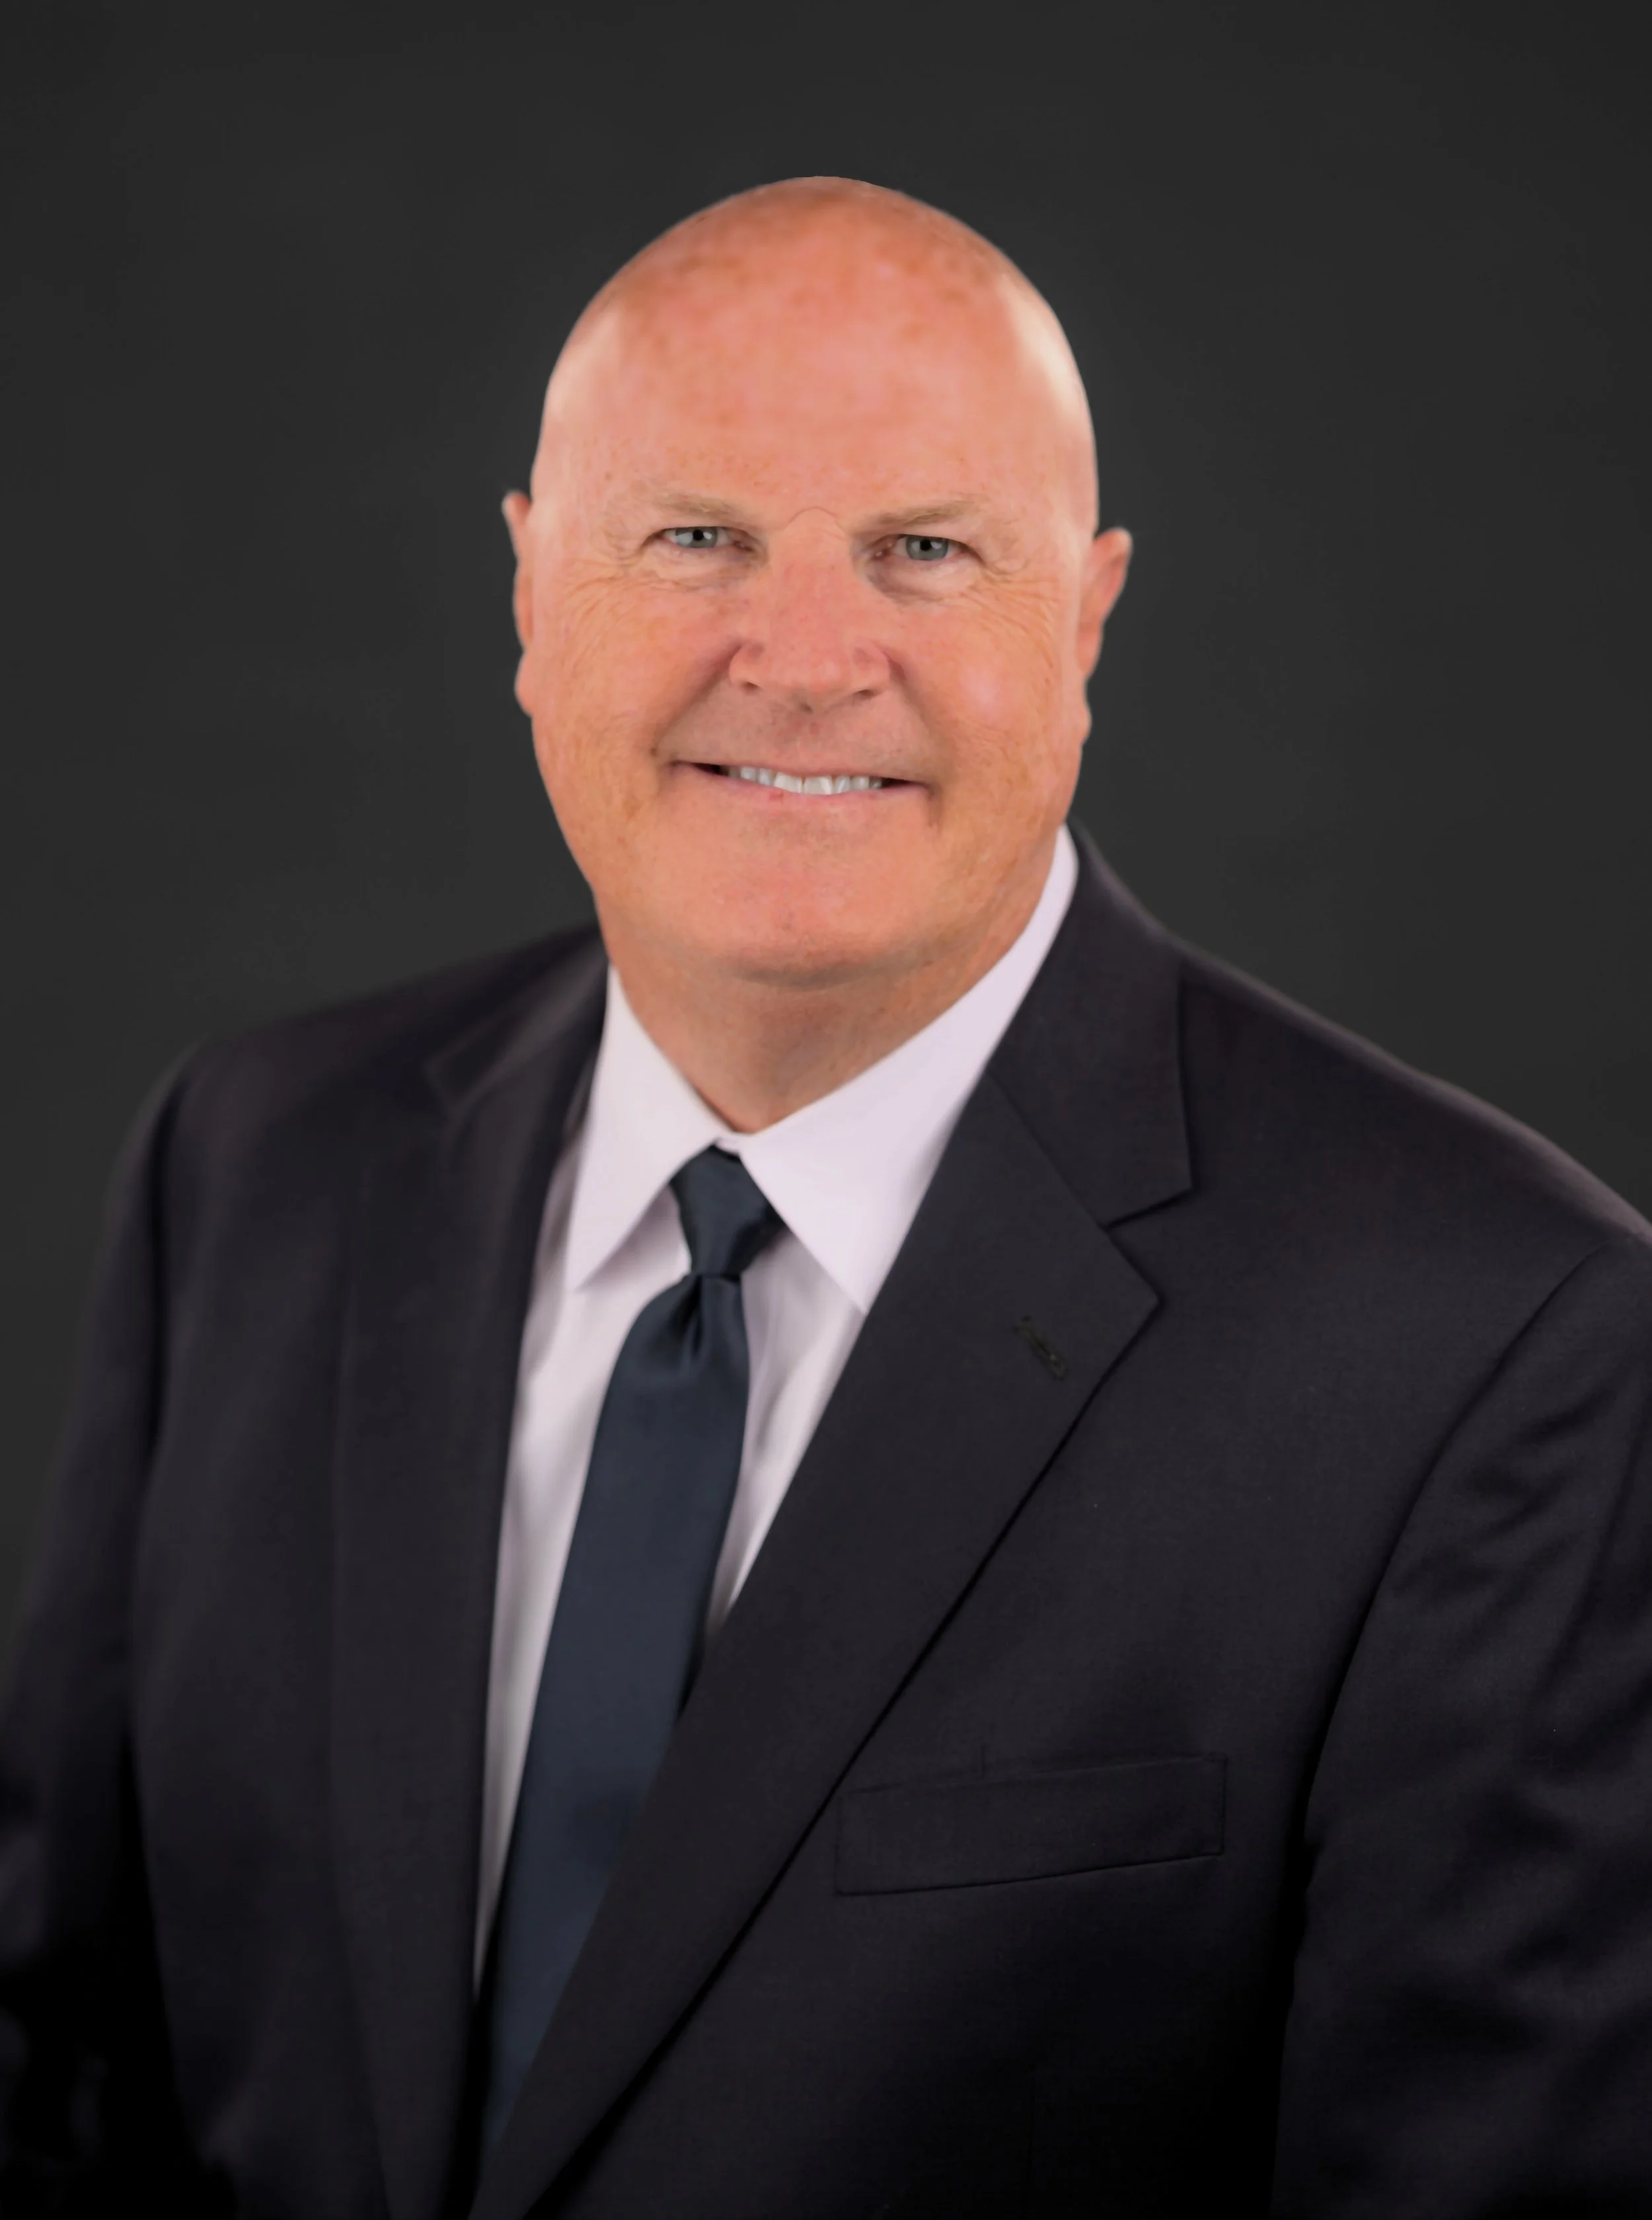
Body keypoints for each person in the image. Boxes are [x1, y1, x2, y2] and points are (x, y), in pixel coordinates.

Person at [3, 174, 1651, 2220]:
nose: (800, 658)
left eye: (924, 549)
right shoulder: (252, 1168)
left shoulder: (1492, 1346)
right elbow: (62, 2059)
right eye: (695, 535)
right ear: (530, 594)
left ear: (1084, 620)